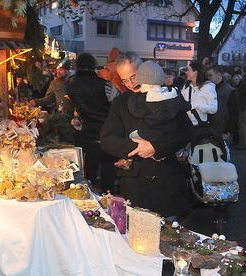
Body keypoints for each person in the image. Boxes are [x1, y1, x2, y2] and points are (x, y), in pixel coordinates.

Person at [100, 52, 192, 217]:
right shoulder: (120, 103)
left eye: (133, 76)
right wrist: (139, 148)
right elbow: (107, 140)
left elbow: (186, 131)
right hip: (136, 183)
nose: (130, 83)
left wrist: (156, 147)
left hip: (167, 180)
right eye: (124, 80)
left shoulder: (168, 97)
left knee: (170, 234)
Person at [66, 53, 116, 192]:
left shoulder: (71, 83)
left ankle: (89, 195)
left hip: (87, 129)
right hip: (107, 130)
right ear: (93, 65)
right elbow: (113, 106)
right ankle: (108, 196)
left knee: (90, 168)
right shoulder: (104, 84)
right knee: (108, 167)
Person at [127, 61, 190, 159]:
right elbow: (186, 106)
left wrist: (136, 95)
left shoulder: (141, 100)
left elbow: (134, 109)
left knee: (132, 136)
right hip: (169, 135)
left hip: (150, 134)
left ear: (148, 84)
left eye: (141, 84)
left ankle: (152, 154)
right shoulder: (173, 95)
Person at [205, 65, 239, 143]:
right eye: (208, 76)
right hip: (208, 128)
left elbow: (234, 113)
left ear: (219, 74)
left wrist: (228, 131)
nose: (209, 78)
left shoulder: (230, 91)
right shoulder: (208, 89)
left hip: (222, 130)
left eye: (211, 75)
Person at [180, 61, 218, 128]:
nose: (186, 72)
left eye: (188, 70)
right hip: (185, 125)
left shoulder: (208, 88)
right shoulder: (186, 86)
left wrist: (197, 105)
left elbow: (214, 108)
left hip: (200, 127)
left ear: (196, 72)